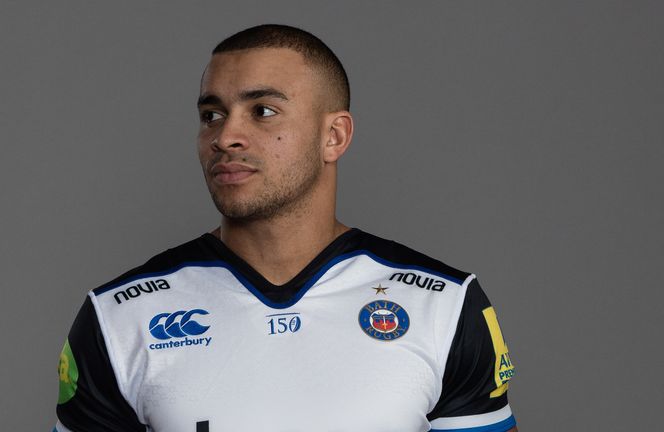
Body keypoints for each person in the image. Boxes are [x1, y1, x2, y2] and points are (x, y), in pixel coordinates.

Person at [53, 24, 517, 432]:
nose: (225, 136)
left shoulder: (444, 305)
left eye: (263, 111)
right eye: (211, 115)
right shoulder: (118, 318)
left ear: (333, 136)